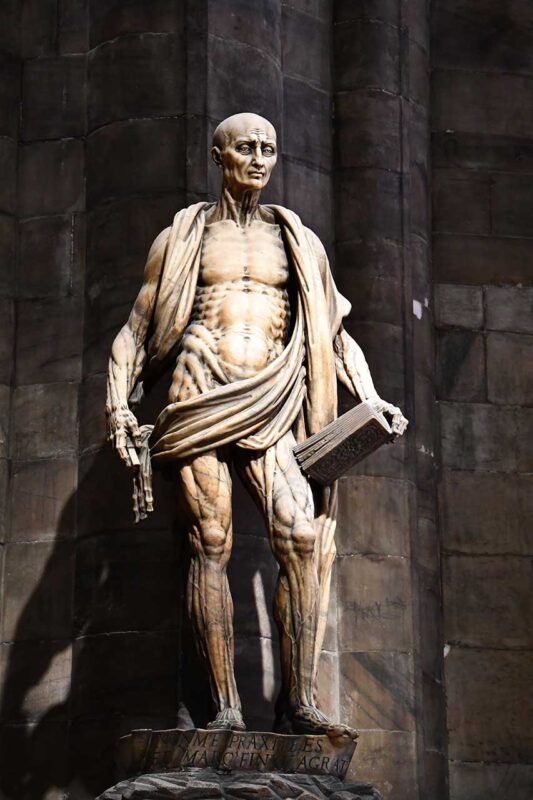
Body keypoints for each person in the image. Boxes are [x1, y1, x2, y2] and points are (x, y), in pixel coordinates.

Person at [106, 112, 408, 737]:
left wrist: (372, 398)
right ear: (219, 156)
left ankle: (298, 701)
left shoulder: (297, 240)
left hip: (272, 400)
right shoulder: (185, 237)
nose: (260, 160)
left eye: (270, 149)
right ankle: (225, 710)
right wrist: (118, 407)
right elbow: (134, 334)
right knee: (210, 543)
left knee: (301, 536)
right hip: (198, 393)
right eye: (247, 148)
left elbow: (334, 334)